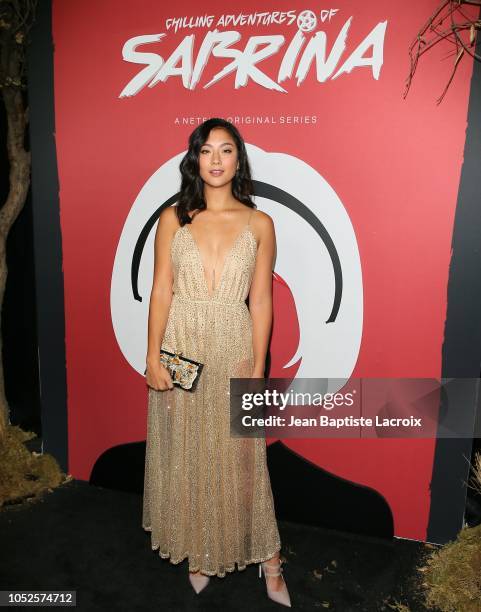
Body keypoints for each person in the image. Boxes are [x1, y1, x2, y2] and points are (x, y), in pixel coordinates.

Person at [142, 118, 291, 607]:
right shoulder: (173, 218)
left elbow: (263, 301)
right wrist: (152, 355)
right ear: (195, 159)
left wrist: (259, 364)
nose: (216, 159)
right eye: (207, 151)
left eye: (226, 151)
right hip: (181, 343)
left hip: (233, 345)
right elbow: (161, 289)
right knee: (188, 449)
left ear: (237, 159)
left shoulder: (259, 223)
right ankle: (201, 552)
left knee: (243, 458)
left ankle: (270, 560)